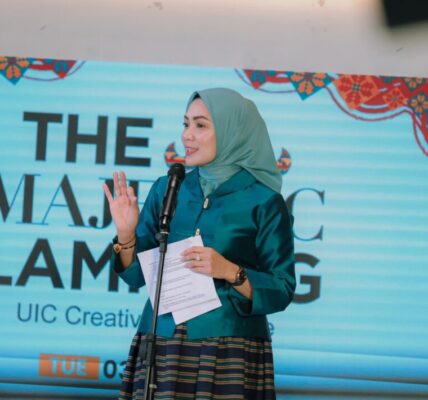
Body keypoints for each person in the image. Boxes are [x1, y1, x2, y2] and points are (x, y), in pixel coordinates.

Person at [103, 88, 296, 399]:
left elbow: (282, 288)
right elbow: (136, 276)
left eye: (201, 125)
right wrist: (126, 235)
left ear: (233, 131)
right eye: (185, 124)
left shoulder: (264, 201)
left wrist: (230, 271)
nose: (187, 135)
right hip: (161, 340)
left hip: (229, 347)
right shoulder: (169, 187)